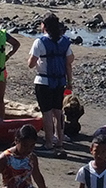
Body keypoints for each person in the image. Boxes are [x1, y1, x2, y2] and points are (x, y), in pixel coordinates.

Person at [27, 13, 74, 150]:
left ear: (44, 26)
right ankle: (60, 140)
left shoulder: (40, 42)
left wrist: (32, 57)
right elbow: (69, 61)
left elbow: (31, 64)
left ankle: (48, 142)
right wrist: (69, 81)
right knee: (58, 111)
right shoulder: (64, 41)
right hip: (60, 82)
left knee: (46, 113)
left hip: (43, 81)